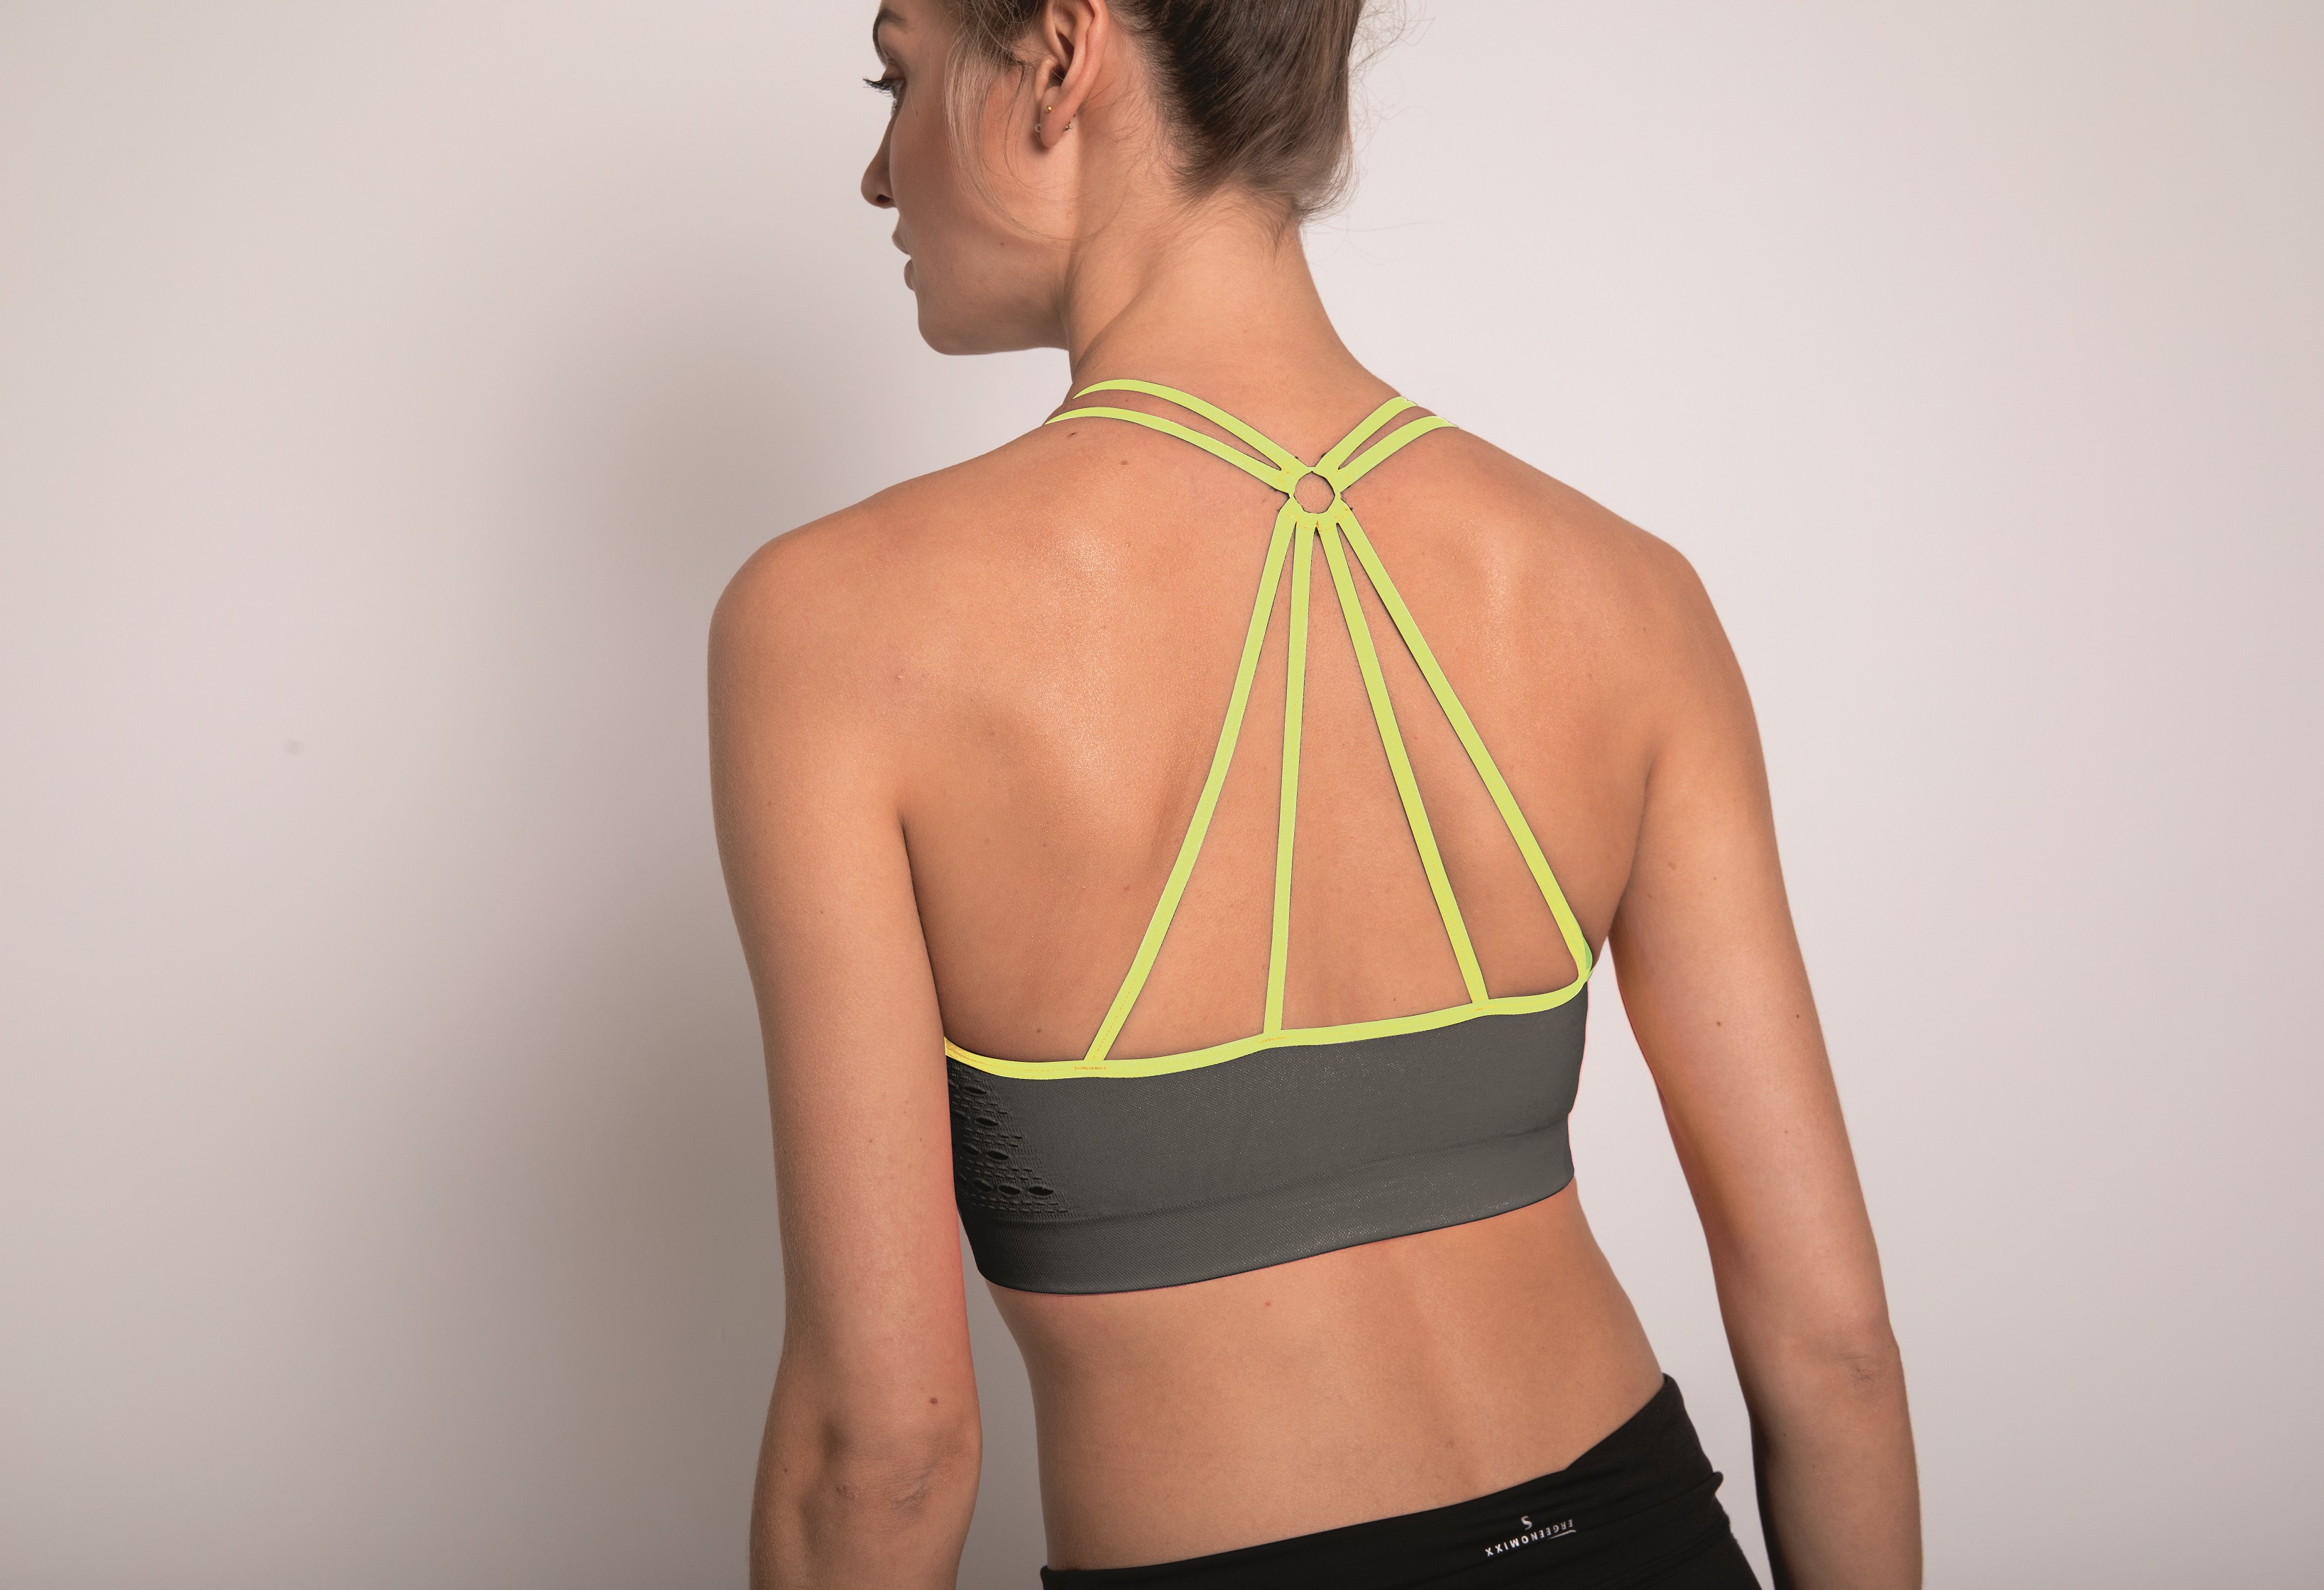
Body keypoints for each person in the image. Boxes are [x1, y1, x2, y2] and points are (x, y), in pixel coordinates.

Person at [707, 1, 1922, 1584]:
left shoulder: (837, 628)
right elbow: (1833, 1349)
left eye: (900, 74)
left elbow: (882, 1457)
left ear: (1061, 58)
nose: (879, 172)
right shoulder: (1627, 594)